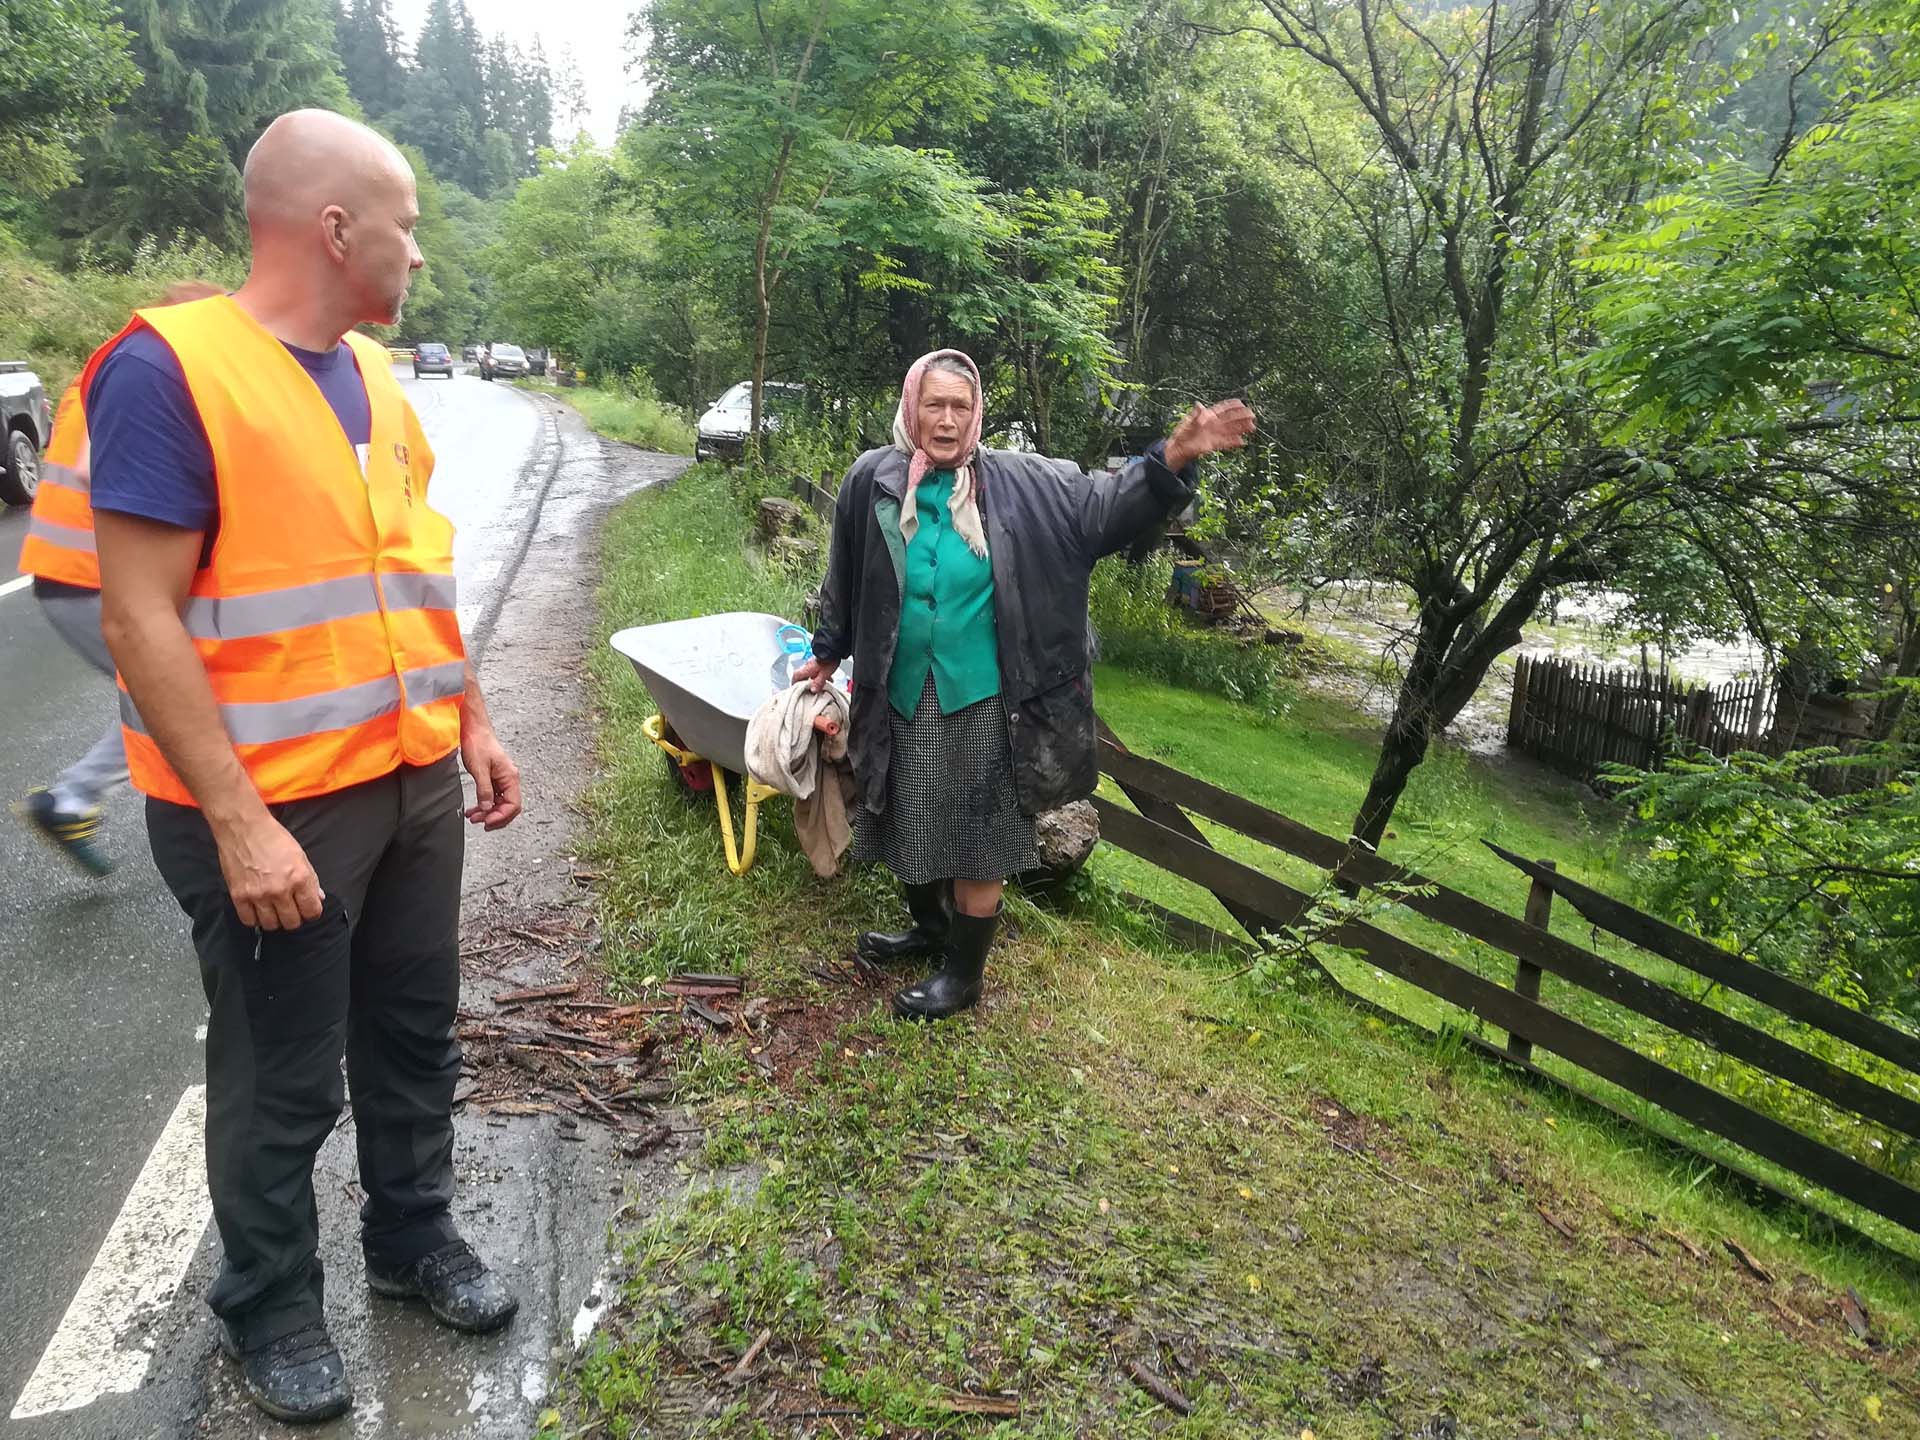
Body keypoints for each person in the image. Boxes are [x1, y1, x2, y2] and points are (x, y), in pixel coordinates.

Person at [86, 110, 523, 1425]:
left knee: (413, 1030)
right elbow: (137, 616)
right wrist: (237, 821)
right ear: (336, 229)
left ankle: (411, 1239)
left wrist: (473, 718)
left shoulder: (379, 381)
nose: (419, 254)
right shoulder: (167, 368)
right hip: (269, 805)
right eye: (406, 226)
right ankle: (271, 1304)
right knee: (283, 1075)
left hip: (410, 773)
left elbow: (412, 573)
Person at [795, 350, 1254, 1021]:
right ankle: (930, 929)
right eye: (934, 404)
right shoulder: (873, 479)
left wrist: (1172, 456)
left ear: (977, 413)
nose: (947, 421)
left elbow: (1105, 504)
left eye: (960, 406)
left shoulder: (1024, 484)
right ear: (911, 407)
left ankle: (964, 976)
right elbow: (847, 570)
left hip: (988, 700)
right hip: (898, 689)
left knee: (980, 836)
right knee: (904, 812)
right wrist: (827, 651)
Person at [13, 281, 224, 875]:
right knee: (177, 697)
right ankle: (74, 799)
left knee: (165, 696)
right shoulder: (147, 379)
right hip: (96, 577)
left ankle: (73, 798)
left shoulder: (104, 373)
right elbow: (99, 469)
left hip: (70, 574)